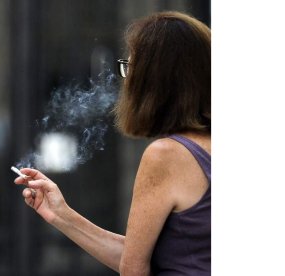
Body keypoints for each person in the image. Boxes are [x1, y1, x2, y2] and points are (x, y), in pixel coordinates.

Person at [14, 11, 211, 276]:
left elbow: (133, 270)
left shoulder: (168, 156)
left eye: (130, 66)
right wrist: (60, 214)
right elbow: (141, 256)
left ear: (155, 79)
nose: (125, 78)